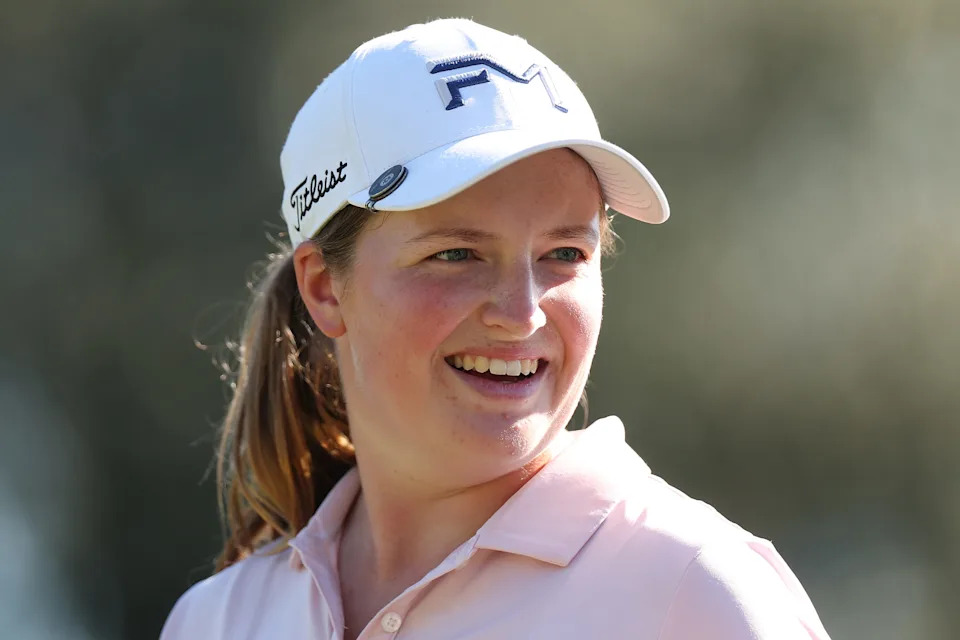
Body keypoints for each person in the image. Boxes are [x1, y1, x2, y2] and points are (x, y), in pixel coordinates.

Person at [160, 18, 831, 640]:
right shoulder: (216, 621)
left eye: (565, 253)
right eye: (457, 254)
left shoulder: (698, 592)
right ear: (324, 288)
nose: (522, 313)